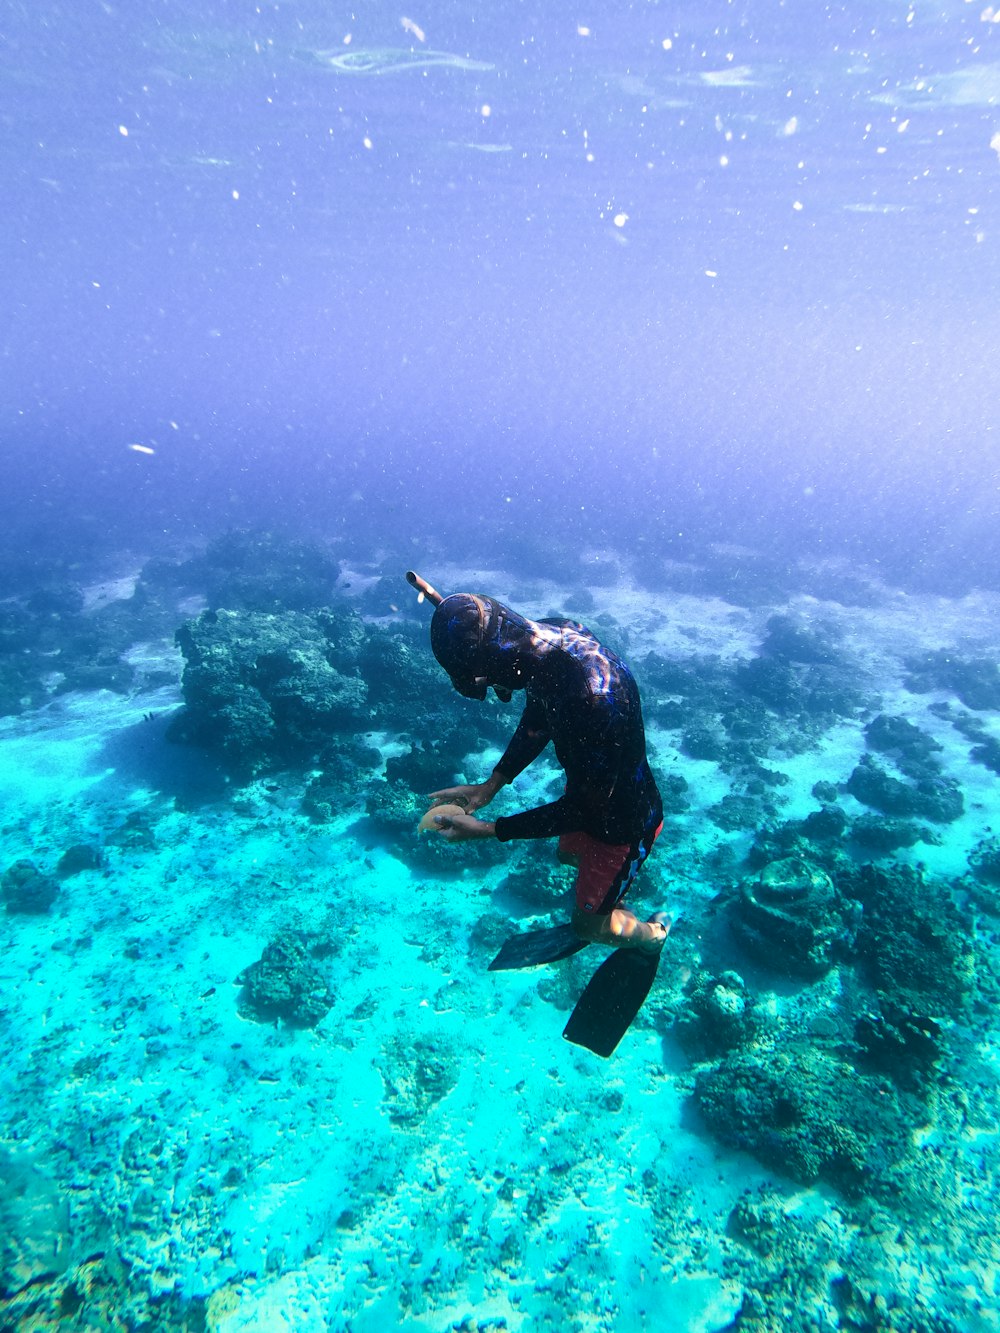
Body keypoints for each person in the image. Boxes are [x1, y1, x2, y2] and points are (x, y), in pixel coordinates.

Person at [410, 574, 670, 953]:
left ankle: (652, 935)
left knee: (588, 928)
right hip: (593, 789)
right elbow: (539, 717)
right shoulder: (549, 640)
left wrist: (486, 829)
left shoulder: (593, 699)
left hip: (623, 821)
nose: (497, 693)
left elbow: (582, 810)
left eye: (487, 683)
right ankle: (610, 898)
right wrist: (490, 786)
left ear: (498, 660)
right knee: (567, 855)